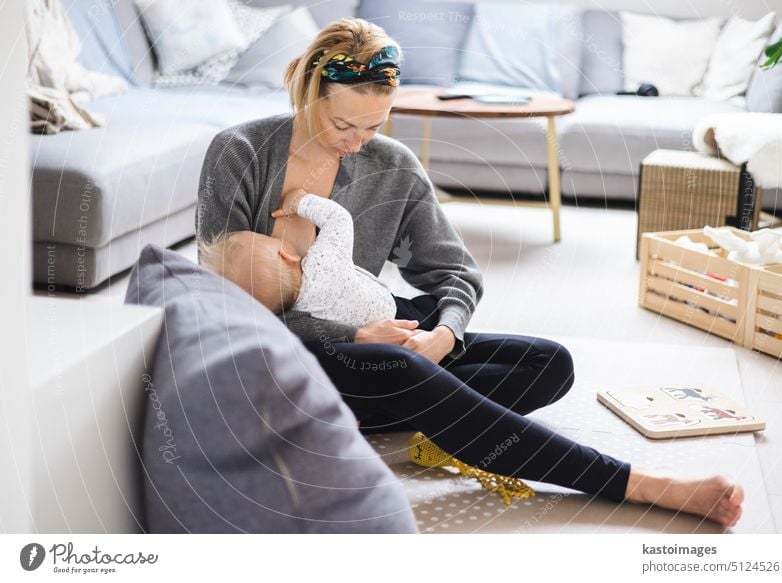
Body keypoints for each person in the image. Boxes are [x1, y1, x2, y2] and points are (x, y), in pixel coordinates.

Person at [196, 17, 744, 527]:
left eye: (374, 125)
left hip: (379, 332)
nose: (358, 142)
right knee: (398, 369)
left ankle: (389, 413)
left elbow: (454, 270)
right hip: (287, 354)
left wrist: (444, 333)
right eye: (344, 124)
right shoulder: (241, 154)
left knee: (548, 364)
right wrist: (354, 337)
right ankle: (637, 484)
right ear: (311, 91)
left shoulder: (390, 165)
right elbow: (227, 306)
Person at [198, 188, 399, 328]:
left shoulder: (295, 312)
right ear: (288, 256)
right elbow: (339, 220)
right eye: (266, 238)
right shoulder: (321, 266)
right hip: (389, 308)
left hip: (375, 339)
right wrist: (301, 202)